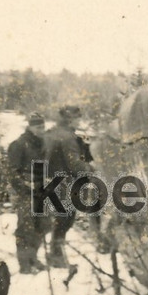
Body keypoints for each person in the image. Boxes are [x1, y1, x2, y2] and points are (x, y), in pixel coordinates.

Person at [41, 105, 90, 269]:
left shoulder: (49, 133)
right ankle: (56, 257)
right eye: (77, 118)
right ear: (70, 119)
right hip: (64, 183)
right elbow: (74, 164)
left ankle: (54, 255)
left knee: (59, 220)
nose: (79, 121)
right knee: (65, 220)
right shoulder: (68, 137)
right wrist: (92, 168)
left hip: (49, 180)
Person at [6, 112, 51, 274]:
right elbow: (12, 172)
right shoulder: (19, 144)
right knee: (25, 228)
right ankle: (24, 264)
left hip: (40, 190)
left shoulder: (43, 144)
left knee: (43, 225)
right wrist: (24, 187)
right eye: (38, 127)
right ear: (30, 127)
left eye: (43, 127)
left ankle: (33, 257)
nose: (41, 130)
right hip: (24, 192)